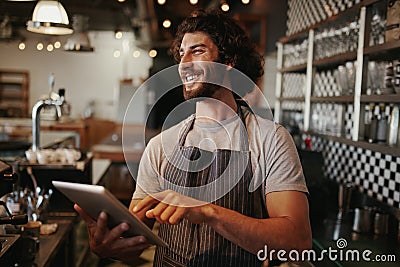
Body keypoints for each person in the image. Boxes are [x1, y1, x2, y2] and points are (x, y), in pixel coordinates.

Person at [76, 9, 312, 266]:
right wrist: (108, 245)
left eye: (197, 51)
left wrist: (208, 212)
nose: (183, 63)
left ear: (228, 61)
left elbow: (297, 243)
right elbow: (133, 243)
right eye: (181, 54)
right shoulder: (160, 146)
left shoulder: (270, 139)